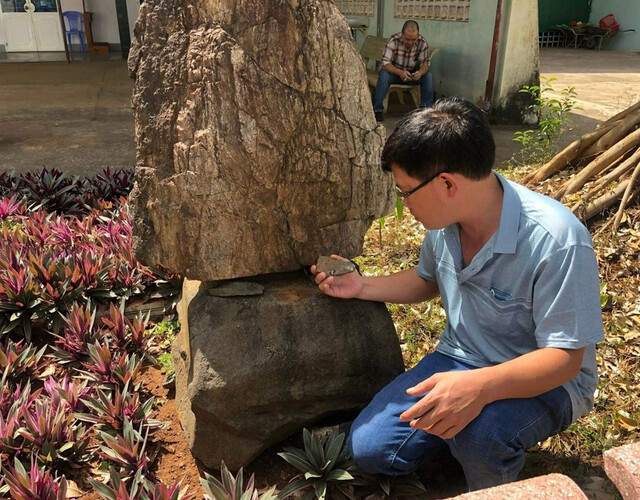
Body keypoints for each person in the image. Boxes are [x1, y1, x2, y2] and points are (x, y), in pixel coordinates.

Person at [312, 97, 603, 491]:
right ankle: (458, 442)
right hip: (459, 359)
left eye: (405, 192)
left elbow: (565, 360)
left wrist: (481, 387)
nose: (404, 204)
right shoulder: (444, 223)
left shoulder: (557, 240)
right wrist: (362, 285)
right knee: (369, 448)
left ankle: (494, 484)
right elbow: (427, 279)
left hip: (546, 379)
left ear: (447, 183)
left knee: (481, 435)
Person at [373, 20, 435, 122]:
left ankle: (426, 111)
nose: (410, 42)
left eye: (413, 39)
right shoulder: (393, 41)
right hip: (394, 74)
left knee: (428, 76)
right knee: (384, 75)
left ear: (418, 35)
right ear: (402, 35)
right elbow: (385, 63)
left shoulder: (422, 43)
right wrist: (400, 72)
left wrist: (419, 73)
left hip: (411, 75)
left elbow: (425, 64)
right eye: (407, 39)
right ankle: (377, 110)